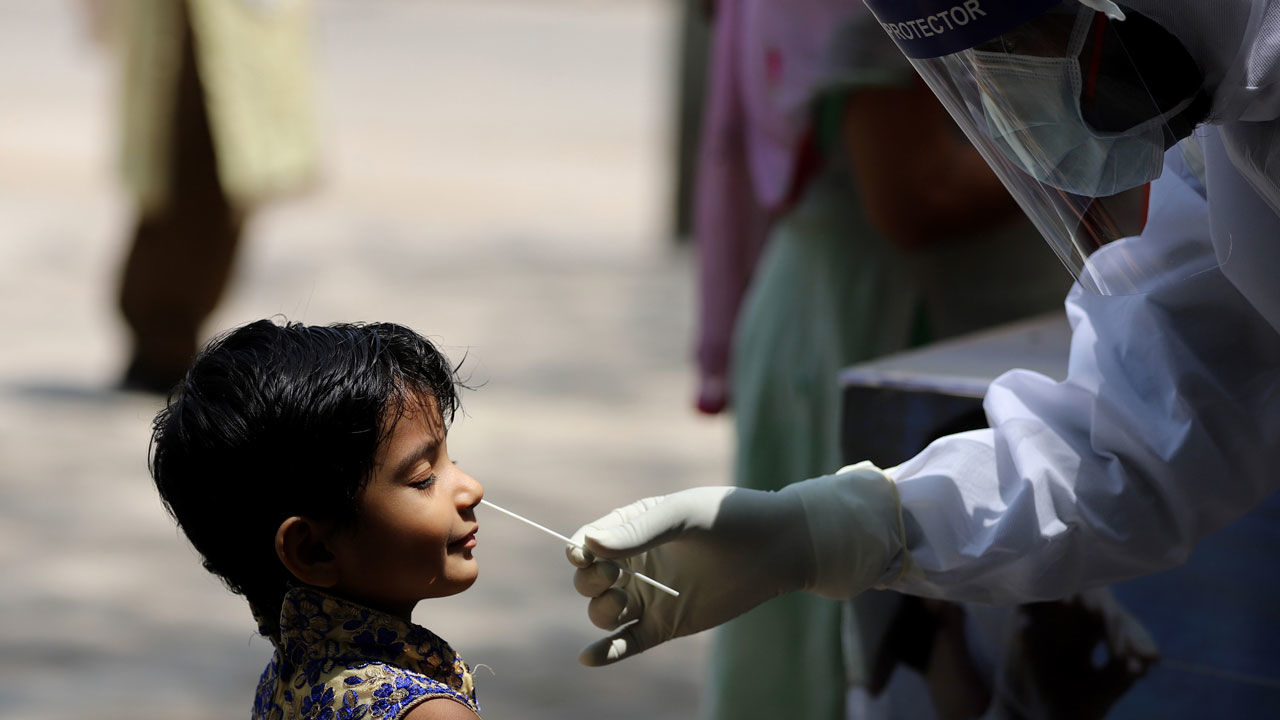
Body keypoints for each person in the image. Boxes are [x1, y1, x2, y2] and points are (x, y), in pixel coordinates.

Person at [566, 0, 1280, 670]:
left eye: (1018, 45)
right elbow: (1146, 431)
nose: (1017, 101)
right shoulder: (1230, 130)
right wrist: (836, 527)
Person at [688, 1, 1080, 718]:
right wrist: (1102, 153)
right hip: (893, 327)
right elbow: (912, 194)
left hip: (878, 322)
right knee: (862, 651)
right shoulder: (869, 20)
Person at [149, 319, 484, 720]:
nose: (471, 488)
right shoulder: (429, 714)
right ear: (314, 550)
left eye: (452, 461)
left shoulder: (287, 681)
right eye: (423, 477)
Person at [99, 0, 319, 392]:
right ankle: (162, 347)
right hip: (190, 32)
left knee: (221, 170)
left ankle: (165, 347)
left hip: (237, 30)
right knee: (184, 170)